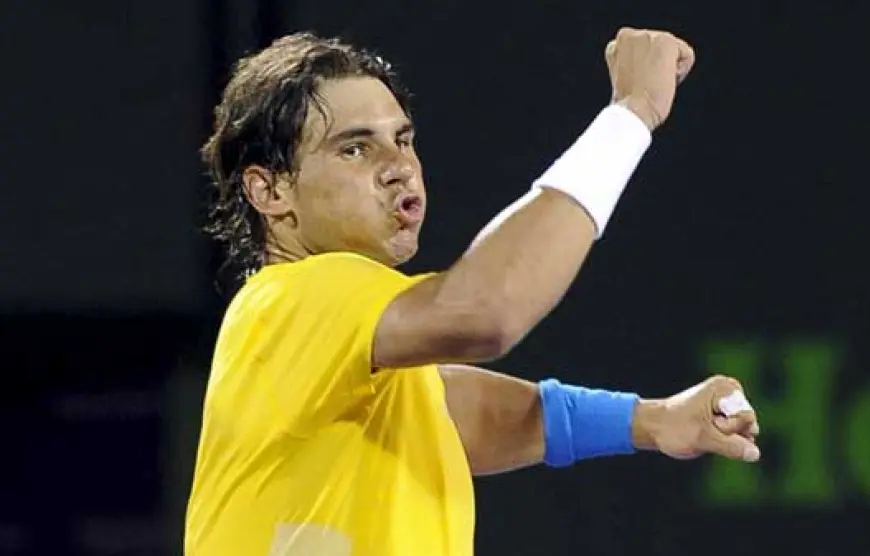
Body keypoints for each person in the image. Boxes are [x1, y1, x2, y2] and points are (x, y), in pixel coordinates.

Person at [185, 27, 761, 556]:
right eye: (355, 148)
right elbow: (487, 311)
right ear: (270, 191)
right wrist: (631, 115)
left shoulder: (346, 360)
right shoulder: (294, 294)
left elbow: (461, 415)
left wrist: (652, 420)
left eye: (403, 140)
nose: (399, 167)